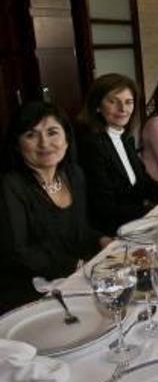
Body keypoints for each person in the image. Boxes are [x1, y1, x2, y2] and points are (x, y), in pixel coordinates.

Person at [0, 102, 110, 310]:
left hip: (73, 279)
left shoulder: (73, 175)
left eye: (52, 132)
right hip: (29, 292)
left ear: (67, 139)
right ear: (17, 144)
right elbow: (20, 252)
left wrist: (103, 240)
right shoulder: (10, 185)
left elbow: (79, 230)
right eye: (31, 135)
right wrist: (77, 265)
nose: (44, 143)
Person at [76, 73, 158, 236]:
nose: (123, 109)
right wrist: (151, 212)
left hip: (137, 223)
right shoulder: (91, 145)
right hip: (113, 232)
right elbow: (103, 206)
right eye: (113, 101)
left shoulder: (125, 137)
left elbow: (144, 182)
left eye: (129, 102)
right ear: (98, 105)